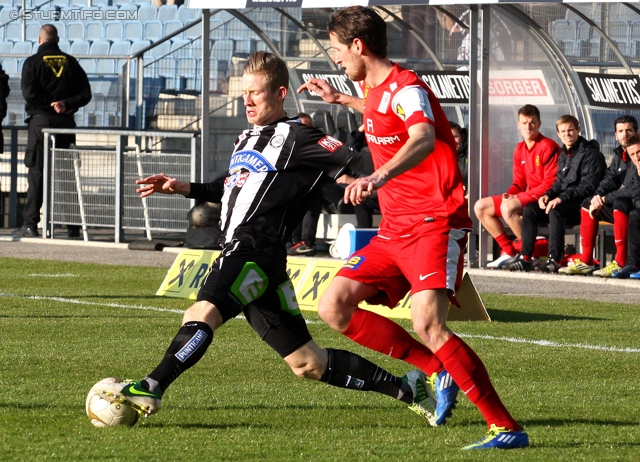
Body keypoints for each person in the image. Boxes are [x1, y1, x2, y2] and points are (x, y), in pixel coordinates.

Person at [113, 51, 435, 425]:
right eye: (245, 92)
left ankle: (152, 384)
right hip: (260, 263)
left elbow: (360, 161)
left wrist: (382, 170)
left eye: (257, 93)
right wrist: (185, 188)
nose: (248, 100)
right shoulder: (246, 138)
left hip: (252, 252)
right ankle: (409, 389)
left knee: (201, 313)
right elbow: (233, 187)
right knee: (307, 363)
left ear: (280, 93)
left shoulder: (299, 135)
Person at [298, 6, 528, 450]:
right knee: (334, 308)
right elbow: (379, 110)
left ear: (359, 47)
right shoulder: (374, 90)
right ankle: (437, 369)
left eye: (337, 51)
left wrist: (377, 177)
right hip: (395, 228)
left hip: (434, 221)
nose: (336, 59)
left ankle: (506, 427)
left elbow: (421, 135)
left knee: (428, 323)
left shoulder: (408, 88)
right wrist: (341, 100)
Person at [15, 24, 91, 238]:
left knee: (37, 174)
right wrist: (65, 103)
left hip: (41, 123)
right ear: (57, 40)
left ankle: (30, 225)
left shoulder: (32, 63)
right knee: (66, 175)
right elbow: (86, 94)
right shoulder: (71, 62)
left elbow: (29, 94)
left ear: (39, 40)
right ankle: (73, 226)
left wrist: (49, 105)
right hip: (65, 123)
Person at [504, 114, 606, 273]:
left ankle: (555, 258)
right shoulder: (565, 154)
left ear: (578, 130)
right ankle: (526, 257)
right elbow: (559, 182)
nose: (567, 134)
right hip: (564, 202)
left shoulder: (591, 154)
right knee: (531, 209)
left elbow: (588, 187)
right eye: (563, 131)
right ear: (558, 134)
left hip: (583, 206)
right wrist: (548, 195)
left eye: (571, 130)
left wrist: (559, 199)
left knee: (556, 210)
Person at [474, 105, 560, 269]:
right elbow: (519, 182)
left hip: (543, 200)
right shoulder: (519, 148)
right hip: (526, 198)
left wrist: (518, 198)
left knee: (508, 208)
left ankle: (532, 255)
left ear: (539, 124)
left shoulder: (548, 146)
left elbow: (550, 185)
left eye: (532, 123)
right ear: (518, 124)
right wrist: (510, 194)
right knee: (480, 206)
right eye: (525, 123)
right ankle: (510, 252)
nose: (528, 127)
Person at [559, 115, 638, 276]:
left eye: (629, 130)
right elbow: (609, 179)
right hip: (629, 204)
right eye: (621, 131)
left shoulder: (637, 152)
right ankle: (587, 260)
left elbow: (632, 188)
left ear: (636, 132)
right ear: (615, 135)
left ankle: (621, 262)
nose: (625, 135)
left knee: (620, 203)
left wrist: (605, 198)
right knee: (588, 203)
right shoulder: (619, 155)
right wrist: (598, 196)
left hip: (632, 205)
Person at [613, 134, 640, 279]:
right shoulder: (637, 172)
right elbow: (634, 194)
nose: (637, 157)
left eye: (639, 152)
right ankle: (633, 264)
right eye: (632, 154)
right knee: (634, 212)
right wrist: (601, 197)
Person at [449, 121, 468, 190]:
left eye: (455, 136)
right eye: (449, 137)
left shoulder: (471, 155)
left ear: (462, 137)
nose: (453, 141)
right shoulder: (439, 158)